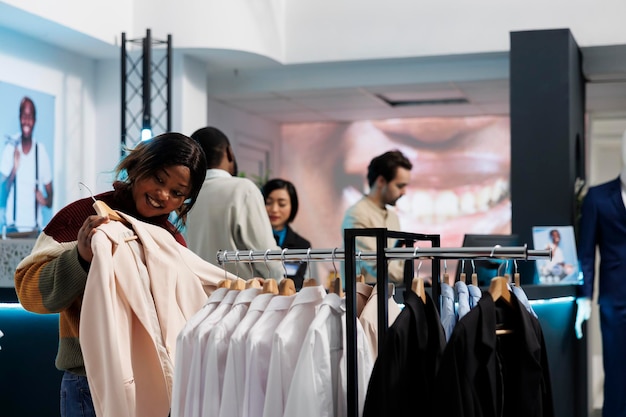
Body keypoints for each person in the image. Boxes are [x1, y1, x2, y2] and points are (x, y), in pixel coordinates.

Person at [13, 132, 208, 417]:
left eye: (177, 193)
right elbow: (29, 293)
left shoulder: (171, 241)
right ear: (138, 166)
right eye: (158, 178)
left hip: (158, 383)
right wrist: (80, 257)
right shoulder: (81, 218)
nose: (163, 195)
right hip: (90, 381)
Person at [186, 126, 283, 280]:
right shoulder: (243, 190)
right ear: (229, 153)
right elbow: (266, 256)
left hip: (195, 296)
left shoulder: (183, 196)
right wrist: (280, 285)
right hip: (240, 297)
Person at [576, 129, 626, 417]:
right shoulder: (597, 197)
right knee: (617, 373)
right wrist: (585, 297)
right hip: (614, 301)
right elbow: (586, 253)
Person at [341, 150, 412, 284]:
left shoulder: (392, 217)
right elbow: (377, 266)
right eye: (400, 186)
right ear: (381, 181)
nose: (404, 192)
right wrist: (414, 278)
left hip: (389, 298)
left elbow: (397, 262)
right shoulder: (357, 214)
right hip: (363, 301)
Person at [0, 96, 53, 233]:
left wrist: (44, 200)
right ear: (19, 118)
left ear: (34, 120)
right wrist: (14, 169)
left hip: (34, 231)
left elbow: (50, 199)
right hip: (12, 229)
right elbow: (2, 195)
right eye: (24, 115)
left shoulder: (41, 152)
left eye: (30, 116)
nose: (26, 120)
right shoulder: (10, 149)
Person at [261, 178, 312, 289]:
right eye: (268, 203)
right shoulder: (252, 238)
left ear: (292, 207)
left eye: (282, 204)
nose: (274, 209)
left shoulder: (302, 245)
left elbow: (297, 281)